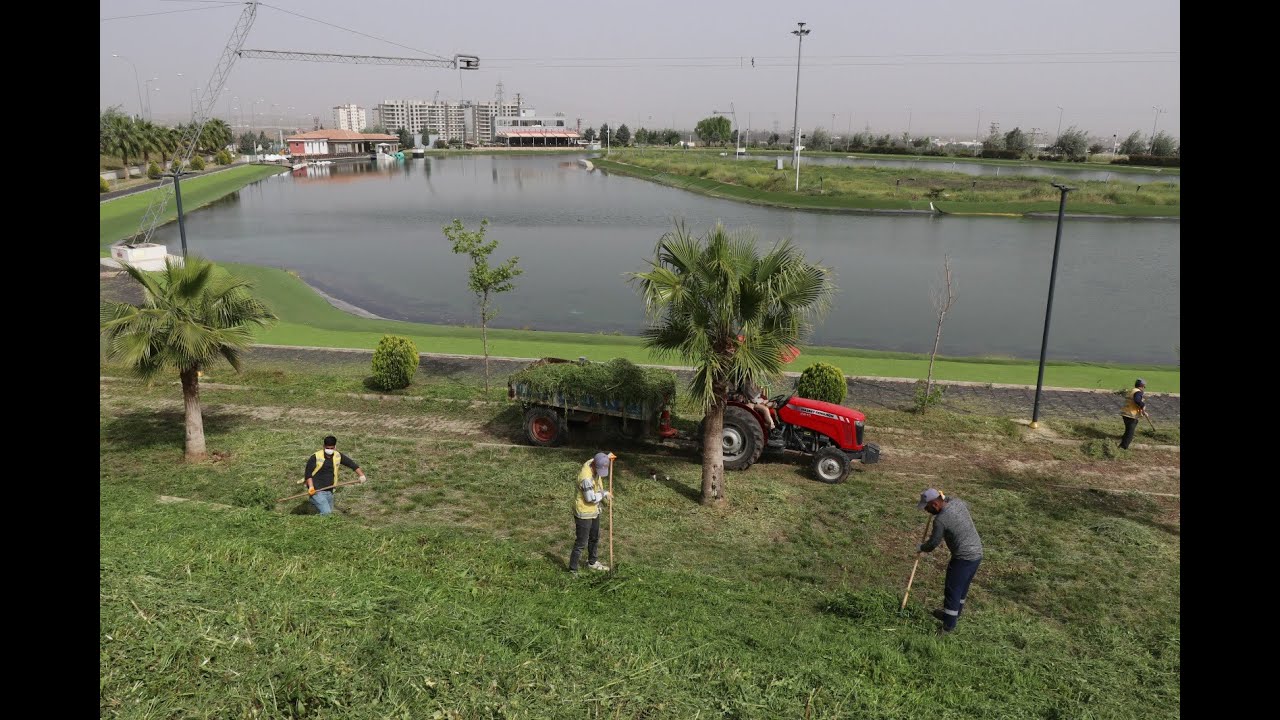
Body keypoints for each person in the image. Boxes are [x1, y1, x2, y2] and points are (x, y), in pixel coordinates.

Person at [916, 488, 983, 635]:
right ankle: (953, 614)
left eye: (927, 508)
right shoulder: (957, 502)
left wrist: (921, 547)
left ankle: (948, 627)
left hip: (963, 557)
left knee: (952, 589)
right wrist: (943, 497)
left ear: (934, 505)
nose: (926, 511)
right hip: (977, 552)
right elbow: (954, 501)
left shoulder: (940, 520)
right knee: (962, 587)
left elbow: (933, 543)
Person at [569, 452, 612, 574]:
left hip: (594, 510)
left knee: (594, 537)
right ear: (593, 466)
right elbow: (590, 498)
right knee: (581, 542)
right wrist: (604, 494)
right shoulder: (586, 478)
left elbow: (600, 458)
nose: (600, 473)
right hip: (584, 512)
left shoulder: (594, 462)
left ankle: (592, 562)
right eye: (599, 469)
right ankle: (573, 569)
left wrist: (608, 458)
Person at [302, 435, 367, 516]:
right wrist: (311, 487)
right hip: (316, 491)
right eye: (327, 448)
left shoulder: (337, 455)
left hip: (329, 490)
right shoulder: (315, 457)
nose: (329, 450)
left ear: (335, 447)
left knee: (329, 514)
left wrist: (361, 475)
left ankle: (315, 519)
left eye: (332, 448)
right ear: (324, 446)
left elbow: (351, 464)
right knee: (327, 513)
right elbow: (308, 473)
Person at [1119, 378, 1149, 450]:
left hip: (1125, 413)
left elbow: (1134, 403)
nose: (1144, 389)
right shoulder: (1138, 392)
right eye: (1144, 387)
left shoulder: (1132, 391)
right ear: (1142, 386)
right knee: (1130, 433)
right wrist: (1143, 405)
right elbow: (1137, 401)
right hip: (1131, 415)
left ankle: (1123, 439)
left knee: (1128, 429)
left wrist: (1142, 410)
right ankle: (1123, 447)